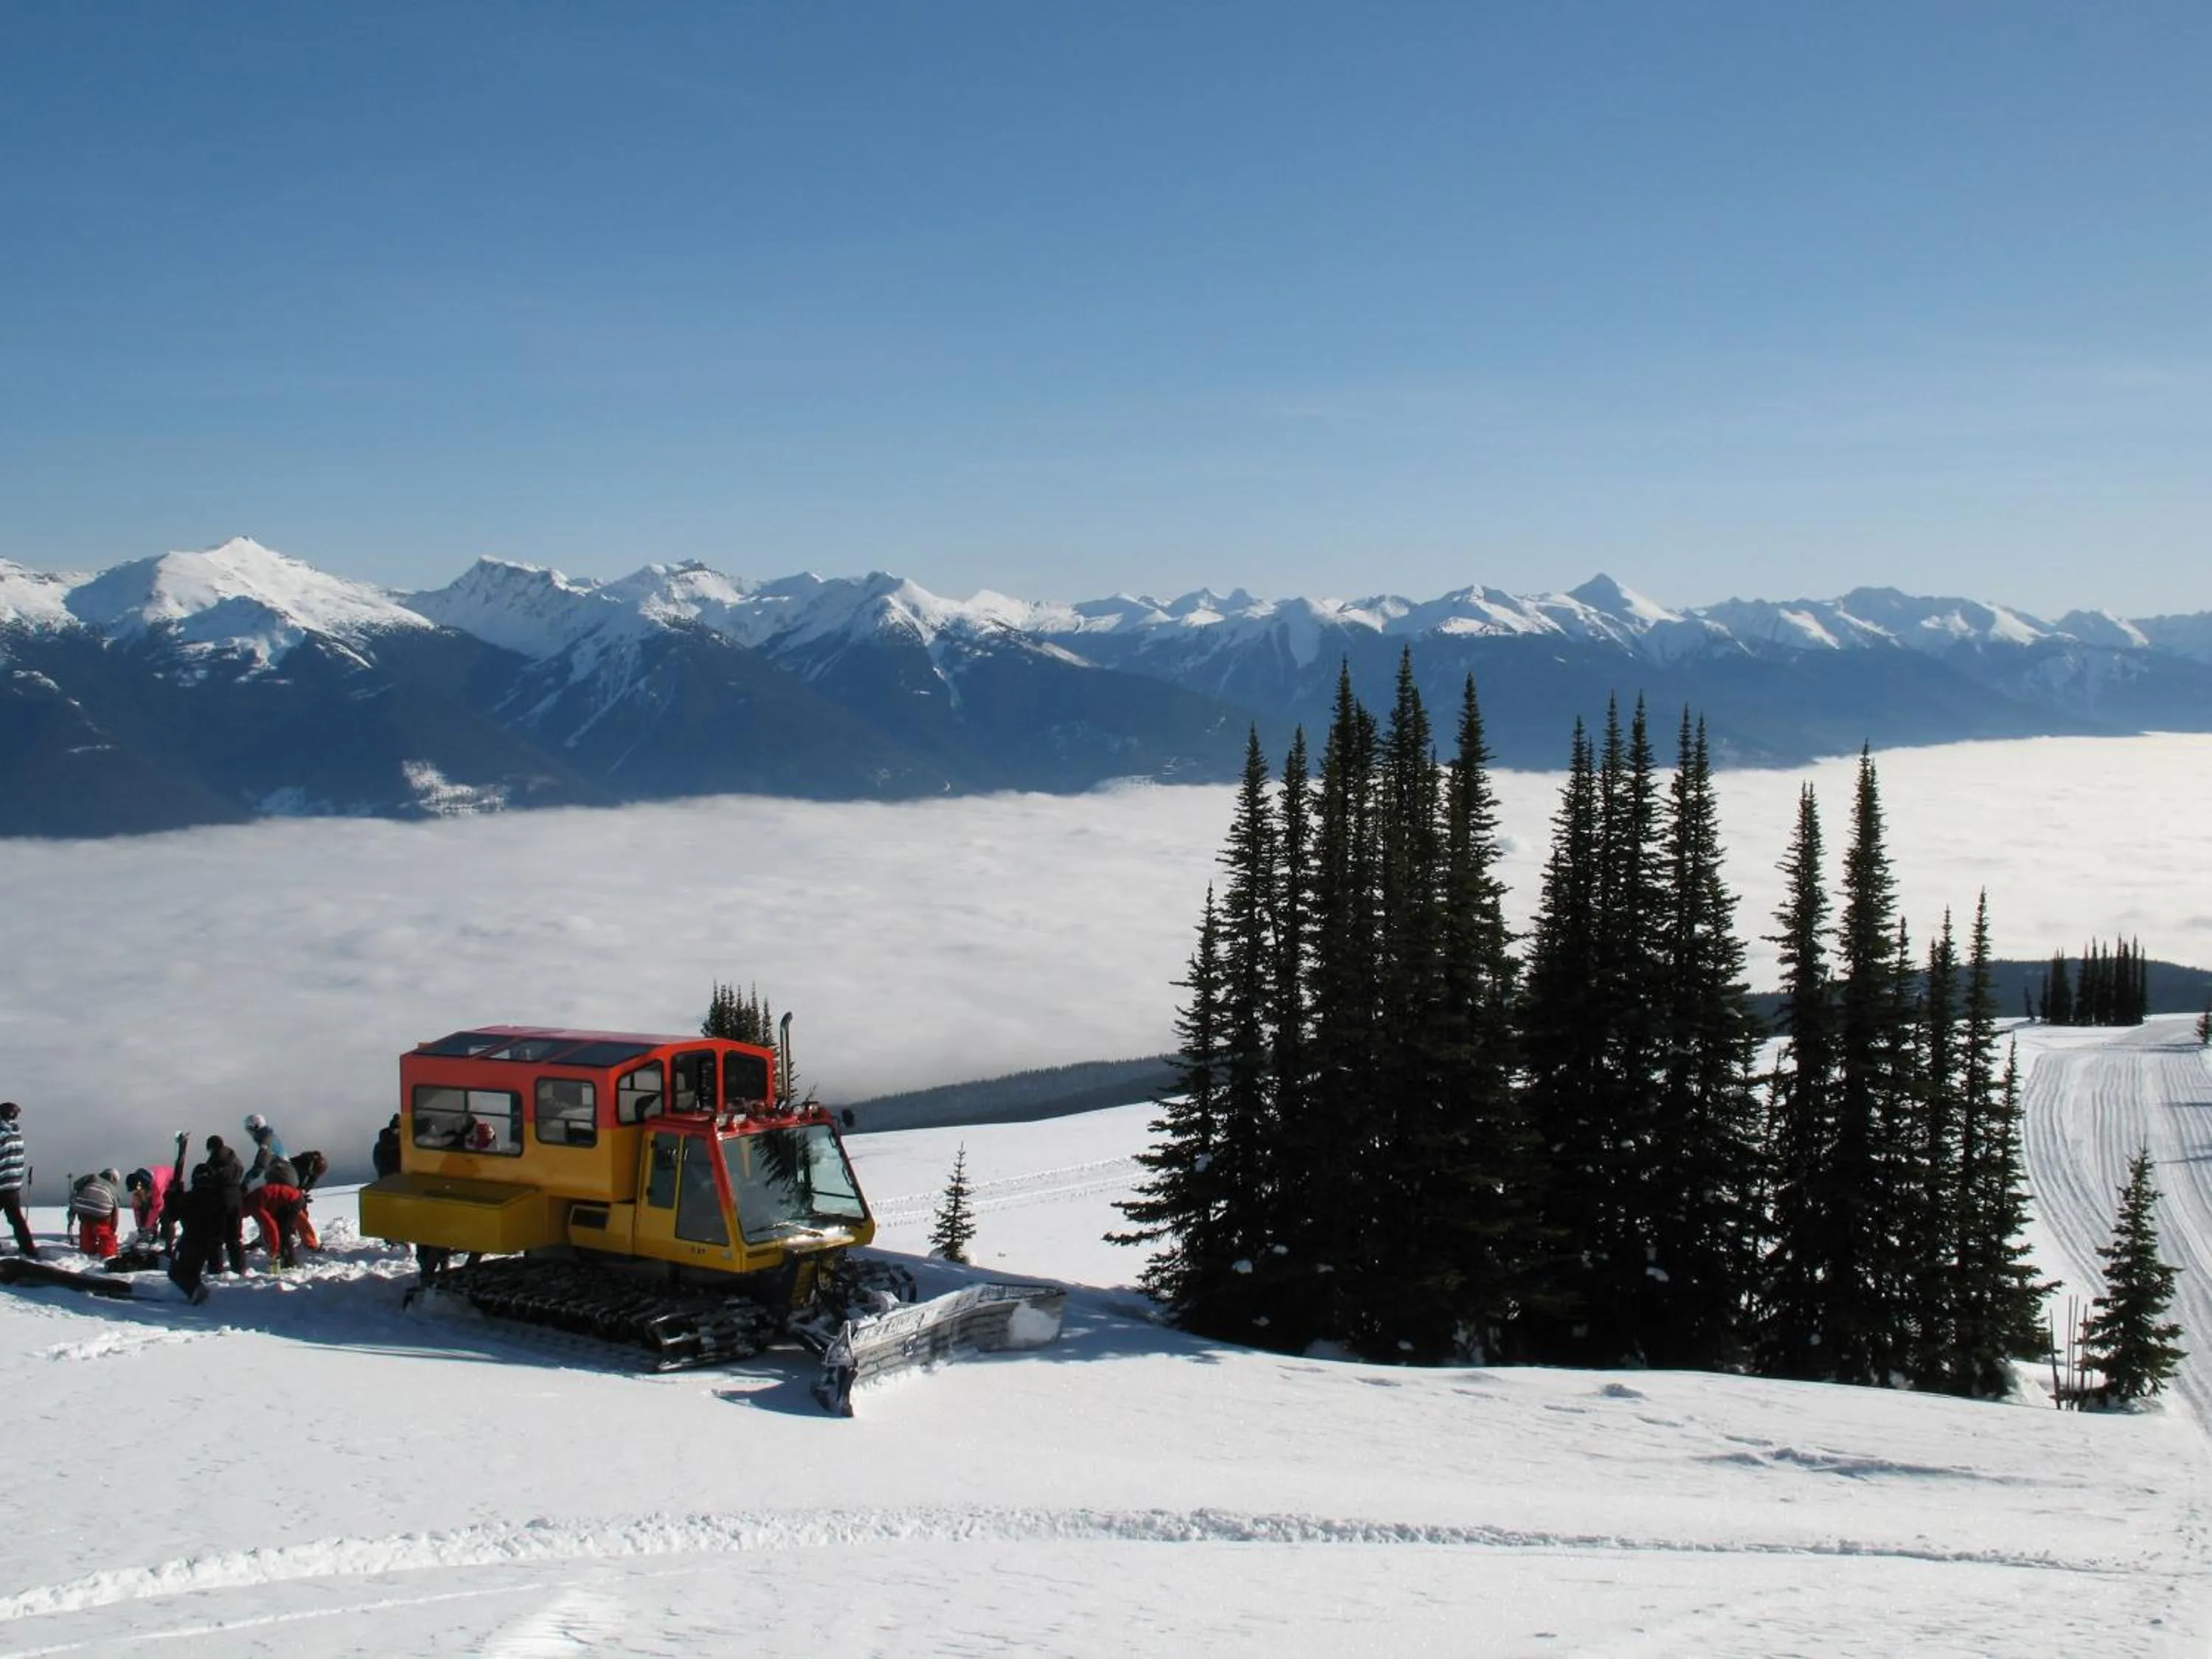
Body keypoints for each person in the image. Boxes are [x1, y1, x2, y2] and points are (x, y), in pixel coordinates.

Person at [246, 1155, 307, 1268]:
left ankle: (290, 1262)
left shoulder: (254, 1206)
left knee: (283, 1232)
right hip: (290, 1198)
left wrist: (273, 1251)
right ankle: (286, 1258)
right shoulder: (252, 1201)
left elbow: (271, 1227)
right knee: (282, 1231)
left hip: (294, 1200)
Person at [201, 1134, 246, 1273]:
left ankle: (215, 1270)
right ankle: (239, 1268)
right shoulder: (235, 1159)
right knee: (235, 1238)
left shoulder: (214, 1160)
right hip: (236, 1199)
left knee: (216, 1238)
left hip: (219, 1200)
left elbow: (210, 1180)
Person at [0, 1103, 37, 1259]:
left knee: (15, 1217)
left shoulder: (2, 1135)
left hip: (2, 1183)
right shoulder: (16, 1133)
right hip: (13, 1184)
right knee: (16, 1218)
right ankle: (29, 1250)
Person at [68, 1169, 125, 1259]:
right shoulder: (112, 1188)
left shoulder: (92, 1177)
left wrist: (71, 1218)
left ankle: (87, 1248)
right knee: (104, 1230)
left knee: (87, 1227)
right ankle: (108, 1252)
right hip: (102, 1212)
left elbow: (76, 1187)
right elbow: (115, 1210)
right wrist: (112, 1229)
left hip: (83, 1209)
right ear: (114, 1180)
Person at [242, 1114, 287, 1192]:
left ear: (256, 1127)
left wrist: (246, 1181)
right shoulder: (271, 1137)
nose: (250, 1133)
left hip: (281, 1179)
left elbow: (261, 1164)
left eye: (250, 1129)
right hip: (284, 1175)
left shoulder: (266, 1141)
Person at [372, 1114, 403, 1178]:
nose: (399, 1132)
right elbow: (378, 1162)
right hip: (388, 1175)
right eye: (397, 1130)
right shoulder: (382, 1145)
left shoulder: (380, 1144)